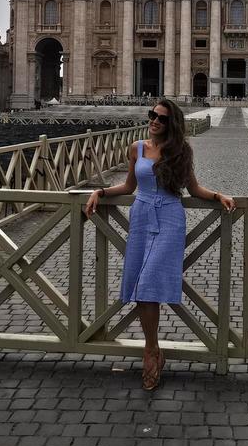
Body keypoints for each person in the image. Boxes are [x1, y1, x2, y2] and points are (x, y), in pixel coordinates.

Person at [83, 98, 234, 390]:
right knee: (141, 286)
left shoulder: (181, 151)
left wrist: (218, 196)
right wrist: (99, 191)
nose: (154, 121)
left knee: (150, 280)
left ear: (171, 124)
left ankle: (151, 351)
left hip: (169, 217)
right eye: (152, 115)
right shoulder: (136, 148)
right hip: (140, 215)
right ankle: (152, 349)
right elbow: (128, 187)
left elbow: (194, 188)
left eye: (162, 118)